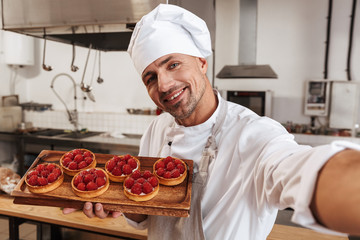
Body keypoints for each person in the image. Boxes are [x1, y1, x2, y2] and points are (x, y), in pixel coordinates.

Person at [63, 4, 360, 239]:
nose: (164, 84)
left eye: (173, 64)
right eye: (150, 78)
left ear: (202, 62)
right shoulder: (156, 130)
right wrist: (120, 204)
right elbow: (145, 214)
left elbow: (299, 169)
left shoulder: (256, 134)